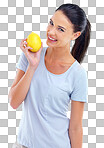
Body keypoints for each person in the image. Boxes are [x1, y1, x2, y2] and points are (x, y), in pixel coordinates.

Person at [9, 3, 91, 148]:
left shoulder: (77, 74)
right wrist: (32, 67)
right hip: (23, 144)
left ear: (75, 35)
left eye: (60, 29)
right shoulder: (31, 55)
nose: (51, 32)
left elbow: (76, 127)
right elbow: (14, 102)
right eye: (51, 23)